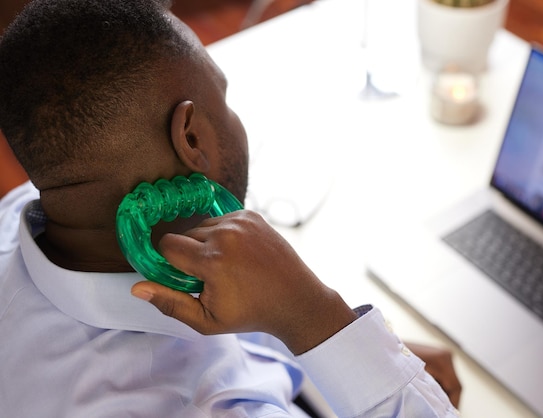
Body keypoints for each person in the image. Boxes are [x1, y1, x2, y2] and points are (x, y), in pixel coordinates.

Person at [0, 0, 461, 416]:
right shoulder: (207, 407)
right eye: (223, 98)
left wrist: (350, 352)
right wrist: (316, 317)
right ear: (191, 138)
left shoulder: (28, 213)